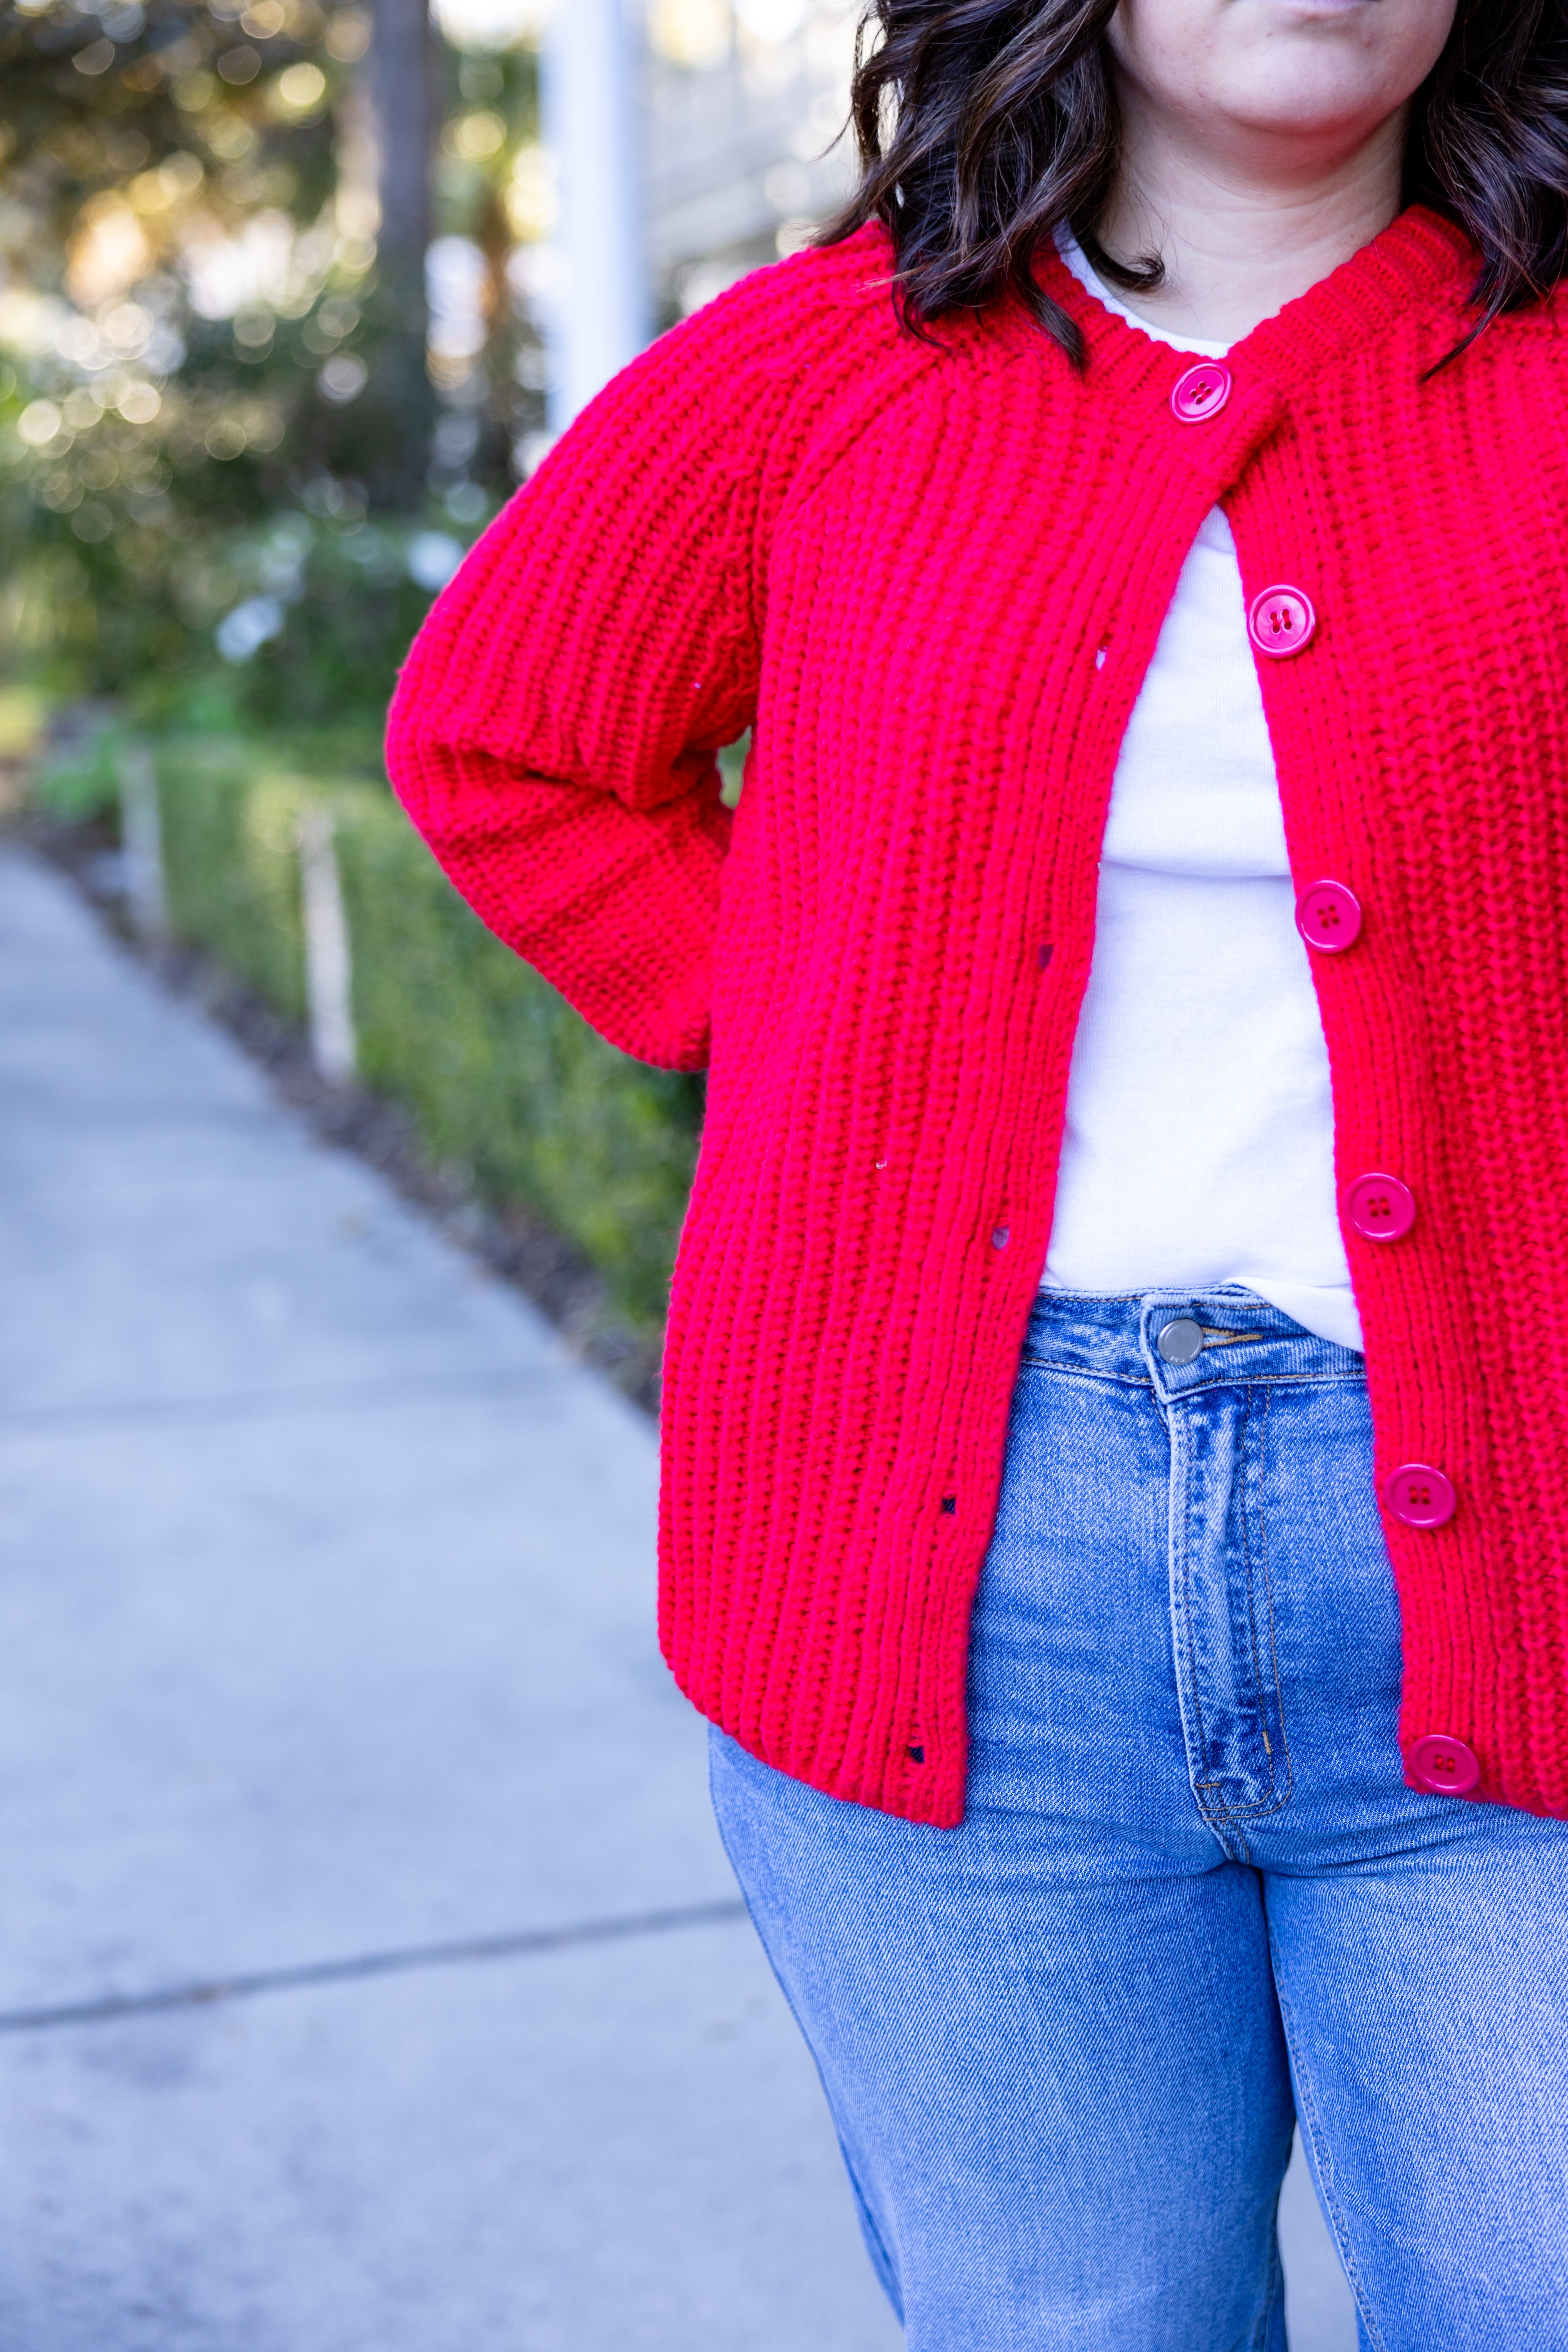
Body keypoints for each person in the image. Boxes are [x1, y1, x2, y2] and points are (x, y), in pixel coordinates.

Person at [385, 0, 1568, 2338]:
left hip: (1521, 1547)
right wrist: (839, 1051)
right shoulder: (825, 370)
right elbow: (508, 739)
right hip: (951, 1581)